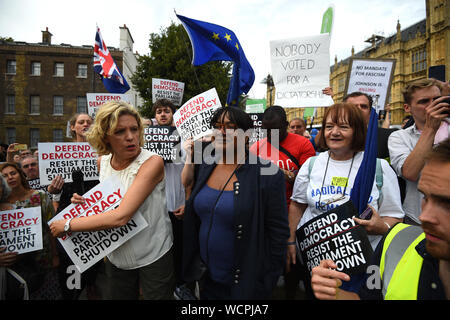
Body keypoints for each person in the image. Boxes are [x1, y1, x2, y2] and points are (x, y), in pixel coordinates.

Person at [50, 101, 175, 300]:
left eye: (134, 129)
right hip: (117, 257)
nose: (130, 137)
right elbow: (109, 203)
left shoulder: (152, 162)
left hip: (153, 254)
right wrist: (85, 204)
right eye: (119, 132)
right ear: (105, 137)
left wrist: (67, 224)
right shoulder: (102, 162)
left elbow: (121, 216)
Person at [310, 137, 450, 300]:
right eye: (425, 197)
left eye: (447, 203)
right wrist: (335, 293)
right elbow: (367, 297)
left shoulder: (380, 168)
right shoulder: (396, 241)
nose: (424, 216)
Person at [287, 103, 404, 296]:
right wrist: (290, 241)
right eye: (329, 126)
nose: (334, 132)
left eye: (343, 127)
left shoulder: (378, 167)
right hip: (318, 265)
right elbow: (297, 206)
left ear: (357, 131)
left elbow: (394, 217)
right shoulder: (311, 165)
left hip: (364, 266)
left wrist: (381, 227)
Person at [182, 106, 289, 300]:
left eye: (230, 127)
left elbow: (278, 234)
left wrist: (265, 282)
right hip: (204, 280)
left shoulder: (268, 174)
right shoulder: (206, 165)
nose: (222, 132)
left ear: (247, 135)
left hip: (243, 286)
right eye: (217, 126)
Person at [250, 106, 316, 299]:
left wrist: (280, 173)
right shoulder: (256, 147)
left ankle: (290, 292)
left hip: (294, 213)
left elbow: (309, 178)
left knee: (292, 261)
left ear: (285, 126)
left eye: (275, 130)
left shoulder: (304, 145)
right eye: (266, 130)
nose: (270, 135)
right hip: (265, 213)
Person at [388, 78, 450, 226]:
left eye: (436, 99)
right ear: (407, 108)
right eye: (424, 102)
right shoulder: (399, 137)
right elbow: (410, 173)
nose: (432, 105)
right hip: (419, 219)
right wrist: (430, 129)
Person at [53, 112, 101, 300]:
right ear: (72, 127)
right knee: (70, 266)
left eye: (89, 122)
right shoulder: (60, 154)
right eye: (81, 122)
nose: (86, 124)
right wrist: (53, 190)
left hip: (95, 212)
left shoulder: (101, 151)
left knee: (94, 266)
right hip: (68, 214)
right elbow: (54, 192)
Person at [152, 99, 195, 300]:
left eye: (166, 111)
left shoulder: (184, 141)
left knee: (180, 248)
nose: (162, 114)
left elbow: (192, 175)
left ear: (173, 114)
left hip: (179, 203)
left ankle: (180, 285)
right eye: (159, 111)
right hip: (158, 206)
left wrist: (187, 202)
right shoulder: (146, 142)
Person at [0, 162, 61, 299]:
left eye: (13, 173)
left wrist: (55, 255)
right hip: (15, 266)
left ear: (21, 175)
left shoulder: (40, 196)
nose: (10, 177)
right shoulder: (2, 205)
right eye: (4, 176)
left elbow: (51, 227)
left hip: (43, 259)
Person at [343, 92, 397, 161]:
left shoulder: (389, 137)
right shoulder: (332, 137)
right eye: (353, 106)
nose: (359, 109)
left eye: (364, 106)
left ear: (370, 113)